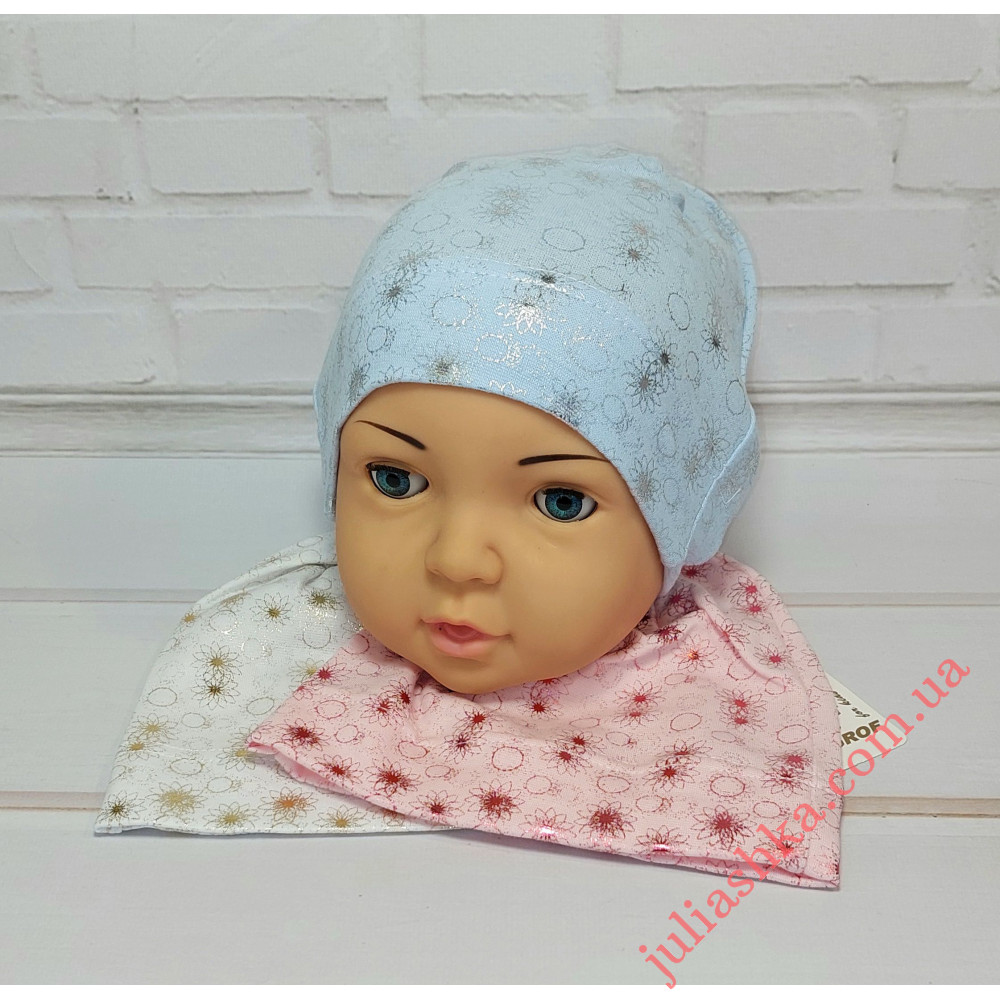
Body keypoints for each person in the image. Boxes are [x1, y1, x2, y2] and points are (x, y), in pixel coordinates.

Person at [244, 145, 843, 887]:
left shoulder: (727, 731)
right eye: (396, 480)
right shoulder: (249, 675)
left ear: (685, 517)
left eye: (561, 501)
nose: (457, 559)